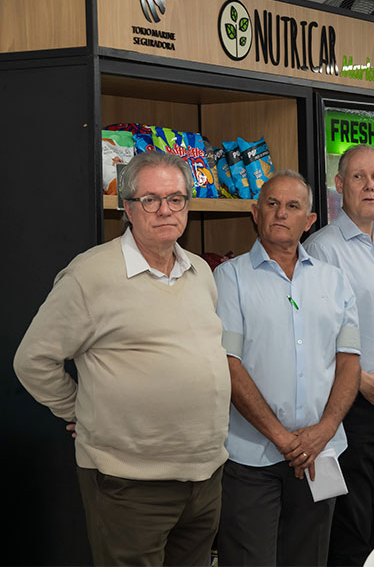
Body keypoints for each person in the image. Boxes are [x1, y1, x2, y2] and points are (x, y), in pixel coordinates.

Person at [13, 152, 230, 566]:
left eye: (176, 199)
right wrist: (78, 410)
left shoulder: (201, 271)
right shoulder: (90, 275)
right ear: (127, 208)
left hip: (205, 477)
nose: (165, 210)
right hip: (130, 483)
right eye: (150, 200)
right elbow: (33, 360)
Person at [213, 171, 362, 565]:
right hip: (251, 459)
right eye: (272, 204)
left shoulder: (335, 281)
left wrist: (324, 430)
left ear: (309, 220)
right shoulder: (229, 279)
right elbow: (229, 364)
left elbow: (349, 361)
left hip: (320, 456)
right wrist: (283, 439)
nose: (281, 213)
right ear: (255, 212)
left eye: (293, 206)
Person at [304, 144, 374, 566]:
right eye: (358, 177)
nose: (369, 185)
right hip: (355, 405)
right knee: (352, 524)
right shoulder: (321, 249)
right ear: (339, 184)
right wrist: (361, 382)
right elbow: (313, 337)